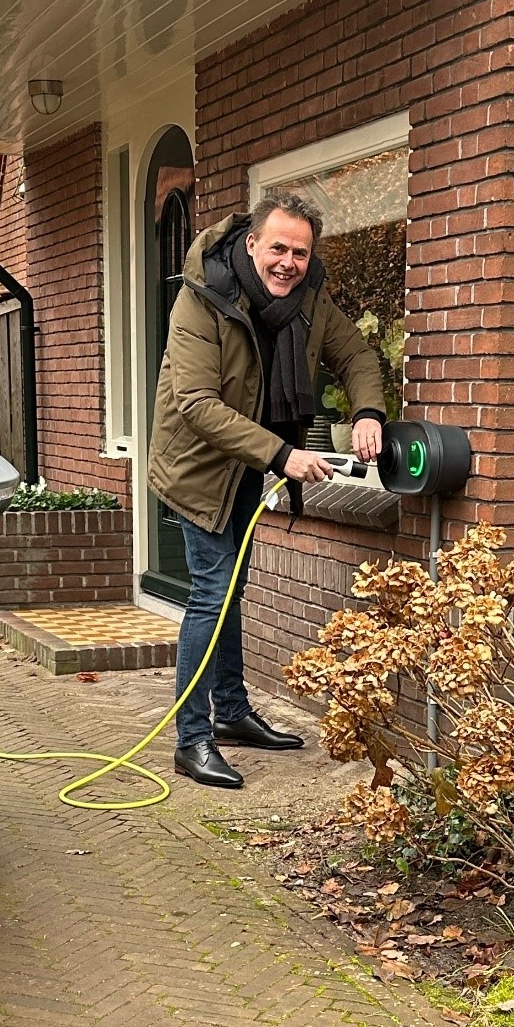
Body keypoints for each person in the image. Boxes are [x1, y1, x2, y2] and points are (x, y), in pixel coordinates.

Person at [148, 190, 386, 788]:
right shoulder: (201, 299)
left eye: (300, 252)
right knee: (212, 595)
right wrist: (283, 455)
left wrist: (367, 414)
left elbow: (354, 352)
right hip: (197, 471)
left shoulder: (308, 301)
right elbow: (197, 404)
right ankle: (191, 738)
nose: (288, 262)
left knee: (232, 592)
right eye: (277, 247)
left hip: (248, 468)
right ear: (251, 243)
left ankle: (230, 714)